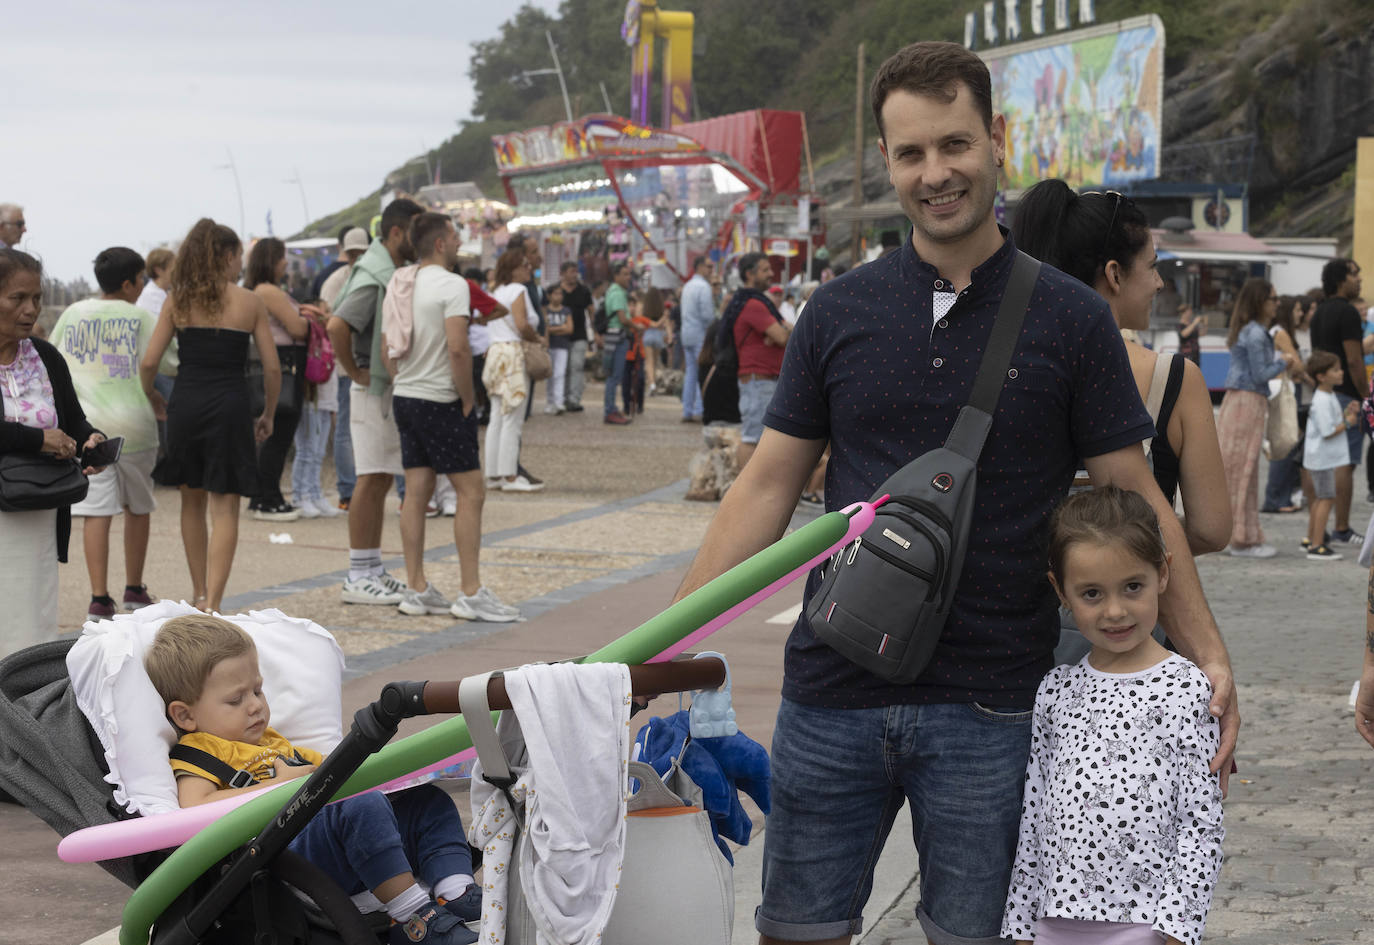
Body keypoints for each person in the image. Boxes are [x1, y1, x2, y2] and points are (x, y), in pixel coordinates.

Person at [669, 42, 1237, 945]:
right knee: (794, 932)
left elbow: (1137, 495)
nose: (936, 174)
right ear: (891, 162)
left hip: (995, 704)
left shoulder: (1072, 318)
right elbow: (765, 486)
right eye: (911, 153)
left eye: (954, 145)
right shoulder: (839, 310)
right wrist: (666, 646)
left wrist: (1208, 656)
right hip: (831, 690)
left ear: (997, 140)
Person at [145, 614, 481, 945]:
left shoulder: (271, 742)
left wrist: (399, 776)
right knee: (358, 804)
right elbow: (194, 809)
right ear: (185, 715)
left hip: (334, 841)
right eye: (236, 699)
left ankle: (455, 889)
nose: (255, 707)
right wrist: (281, 786)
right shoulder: (200, 752)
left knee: (426, 802)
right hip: (285, 860)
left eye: (258, 691)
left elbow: (341, 772)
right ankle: (412, 918)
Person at [1002, 486, 1224, 945]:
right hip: (1055, 918)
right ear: (1060, 590)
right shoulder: (1056, 690)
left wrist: (1177, 929)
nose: (1116, 611)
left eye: (1133, 587)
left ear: (1163, 573)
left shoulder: (1186, 688)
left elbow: (1200, 819)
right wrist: (1022, 922)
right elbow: (1034, 812)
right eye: (1091, 594)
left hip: (1145, 923)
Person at [1012, 180, 1231, 556]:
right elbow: (1211, 530)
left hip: (1016, 604)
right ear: (1114, 274)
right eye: (1152, 267)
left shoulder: (1009, 365)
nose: (1159, 283)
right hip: (1132, 611)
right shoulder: (1174, 379)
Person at [381, 212, 519, 622]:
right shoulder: (453, 285)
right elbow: (458, 347)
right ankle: (471, 591)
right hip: (440, 397)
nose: (460, 242)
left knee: (416, 490)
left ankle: (417, 585)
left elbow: (390, 342)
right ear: (440, 244)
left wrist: (403, 380)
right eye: (456, 236)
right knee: (471, 492)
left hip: (406, 393)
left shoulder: (401, 281)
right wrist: (466, 399)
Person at [141, 219, 280, 614]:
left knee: (191, 499)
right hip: (230, 403)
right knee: (225, 505)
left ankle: (198, 590)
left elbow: (150, 361)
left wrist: (151, 394)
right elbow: (271, 368)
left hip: (187, 401)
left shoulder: (177, 300)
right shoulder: (250, 301)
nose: (240, 264)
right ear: (227, 255)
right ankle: (214, 602)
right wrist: (267, 412)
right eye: (238, 255)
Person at [0, 249, 104, 653]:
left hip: (38, 511)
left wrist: (90, 439)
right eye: (17, 298)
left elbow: (73, 421)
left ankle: (22, 707)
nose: (30, 309)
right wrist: (38, 439)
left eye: (37, 298)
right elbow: (38, 434)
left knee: (32, 621)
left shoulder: (44, 356)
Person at [50, 246, 162, 618]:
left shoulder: (73, 312)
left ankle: (99, 598)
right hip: (136, 425)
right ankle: (134, 588)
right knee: (138, 507)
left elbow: (52, 359)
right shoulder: (143, 317)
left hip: (88, 429)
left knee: (96, 512)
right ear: (130, 282)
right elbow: (165, 360)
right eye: (141, 279)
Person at [326, 198, 424, 605]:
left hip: (378, 385)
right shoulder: (375, 272)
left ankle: (370, 568)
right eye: (416, 231)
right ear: (398, 233)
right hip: (371, 387)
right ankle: (357, 573)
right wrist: (355, 371)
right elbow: (337, 325)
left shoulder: (386, 269)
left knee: (381, 476)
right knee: (370, 478)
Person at [1217, 278, 1294, 558]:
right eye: (1273, 299)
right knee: (1243, 471)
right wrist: (1284, 361)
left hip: (1239, 400)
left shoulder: (1247, 330)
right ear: (1260, 301)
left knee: (1238, 470)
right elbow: (1261, 374)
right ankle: (1241, 537)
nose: (1276, 304)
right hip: (1248, 401)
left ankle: (1242, 534)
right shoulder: (1257, 333)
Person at [244, 238, 312, 522]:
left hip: (277, 362)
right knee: (278, 433)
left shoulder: (260, 290)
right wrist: (310, 320)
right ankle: (266, 497)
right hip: (284, 364)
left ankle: (267, 495)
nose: (286, 262)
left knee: (276, 435)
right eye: (282, 257)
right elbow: (296, 328)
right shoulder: (269, 291)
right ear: (271, 260)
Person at [1309, 258, 1366, 546]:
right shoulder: (1348, 313)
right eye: (1355, 275)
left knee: (1324, 460)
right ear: (1341, 279)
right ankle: (1342, 526)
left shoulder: (1318, 312)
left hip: (1325, 392)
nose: (1360, 280)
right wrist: (1365, 394)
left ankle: (1318, 525)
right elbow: (1355, 360)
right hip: (1347, 395)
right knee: (1345, 462)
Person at [484, 248, 544, 492]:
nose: (529, 269)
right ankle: (509, 474)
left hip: (495, 352)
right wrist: (537, 337)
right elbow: (521, 324)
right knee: (513, 417)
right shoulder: (518, 291)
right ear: (514, 269)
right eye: (524, 265)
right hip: (513, 354)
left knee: (496, 416)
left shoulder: (495, 291)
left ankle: (493, 474)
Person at [724, 252, 790, 469]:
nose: (771, 274)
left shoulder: (753, 302)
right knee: (752, 438)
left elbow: (784, 332)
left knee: (758, 438)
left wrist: (779, 333)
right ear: (750, 274)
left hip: (760, 379)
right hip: (758, 380)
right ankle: (743, 495)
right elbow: (783, 336)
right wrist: (779, 333)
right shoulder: (754, 304)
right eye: (765, 270)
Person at [323, 228, 370, 514]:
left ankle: (350, 492)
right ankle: (349, 490)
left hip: (349, 364)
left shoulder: (336, 280)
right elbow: (331, 323)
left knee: (347, 431)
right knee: (347, 431)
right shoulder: (345, 280)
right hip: (348, 364)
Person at [1300, 351, 1360, 561]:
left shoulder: (1327, 396)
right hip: (1323, 459)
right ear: (1321, 376)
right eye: (1335, 369)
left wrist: (1346, 414)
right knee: (1326, 498)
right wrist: (1350, 421)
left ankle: (1310, 538)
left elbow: (1331, 423)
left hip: (1320, 458)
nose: (1341, 372)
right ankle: (1317, 545)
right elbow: (1328, 431)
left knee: (1318, 499)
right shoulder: (1323, 400)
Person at [291, 302, 342, 520]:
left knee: (319, 451)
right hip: (310, 397)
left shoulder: (327, 337)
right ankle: (299, 495)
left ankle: (314, 493)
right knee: (306, 449)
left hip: (326, 398)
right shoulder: (311, 329)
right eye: (322, 309)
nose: (327, 314)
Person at [1261, 296, 1312, 514]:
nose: (1300, 314)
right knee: (1284, 446)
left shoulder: (1274, 331)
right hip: (1284, 391)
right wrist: (1298, 368)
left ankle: (1280, 497)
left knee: (1287, 444)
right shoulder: (1281, 332)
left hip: (1283, 389)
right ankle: (1275, 499)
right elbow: (1298, 366)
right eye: (1298, 309)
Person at [679, 255, 715, 423]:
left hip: (686, 333)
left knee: (691, 374)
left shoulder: (687, 286)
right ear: (700, 267)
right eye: (709, 266)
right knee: (703, 371)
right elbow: (707, 315)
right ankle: (700, 409)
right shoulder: (703, 287)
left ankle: (687, 410)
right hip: (700, 333)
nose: (711, 270)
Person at [556, 261, 593, 413]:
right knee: (562, 368)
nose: (574, 274)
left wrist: (593, 331)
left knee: (576, 366)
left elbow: (591, 310)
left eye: (575, 271)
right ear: (563, 273)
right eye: (571, 271)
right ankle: (562, 398)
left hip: (579, 335)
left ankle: (574, 399)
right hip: (560, 335)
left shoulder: (583, 291)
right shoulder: (556, 291)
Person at [601, 262, 633, 425]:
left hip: (612, 337)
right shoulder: (618, 293)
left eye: (629, 274)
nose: (629, 277)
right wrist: (635, 325)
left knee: (612, 376)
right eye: (625, 274)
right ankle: (610, 410)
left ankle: (611, 408)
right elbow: (622, 319)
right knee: (614, 376)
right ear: (616, 276)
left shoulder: (612, 291)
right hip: (618, 338)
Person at [542, 283, 572, 414]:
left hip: (562, 345)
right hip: (549, 346)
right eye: (555, 293)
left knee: (560, 373)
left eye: (560, 294)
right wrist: (561, 328)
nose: (558, 296)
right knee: (550, 374)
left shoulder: (566, 310)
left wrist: (552, 330)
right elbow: (544, 328)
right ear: (549, 296)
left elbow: (570, 328)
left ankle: (559, 402)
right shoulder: (545, 310)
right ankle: (550, 402)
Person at [640, 284, 671, 395]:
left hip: (648, 334)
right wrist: (670, 337)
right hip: (659, 336)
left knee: (649, 362)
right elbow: (666, 324)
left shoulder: (645, 308)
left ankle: (651, 384)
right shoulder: (661, 309)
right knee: (654, 361)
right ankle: (653, 384)